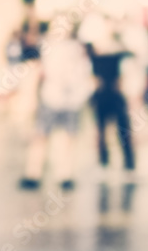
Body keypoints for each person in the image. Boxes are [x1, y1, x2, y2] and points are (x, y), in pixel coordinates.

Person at [19, 23, 95, 190]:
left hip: (70, 100)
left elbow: (84, 72)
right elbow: (38, 71)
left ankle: (65, 174)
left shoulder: (77, 49)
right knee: (41, 135)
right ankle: (33, 172)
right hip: (51, 97)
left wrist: (82, 92)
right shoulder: (47, 47)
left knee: (68, 138)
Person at [81, 16, 135, 173]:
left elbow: (130, 62)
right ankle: (103, 162)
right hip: (101, 93)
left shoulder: (120, 46)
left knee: (123, 128)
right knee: (101, 129)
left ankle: (129, 163)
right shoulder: (92, 49)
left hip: (116, 92)